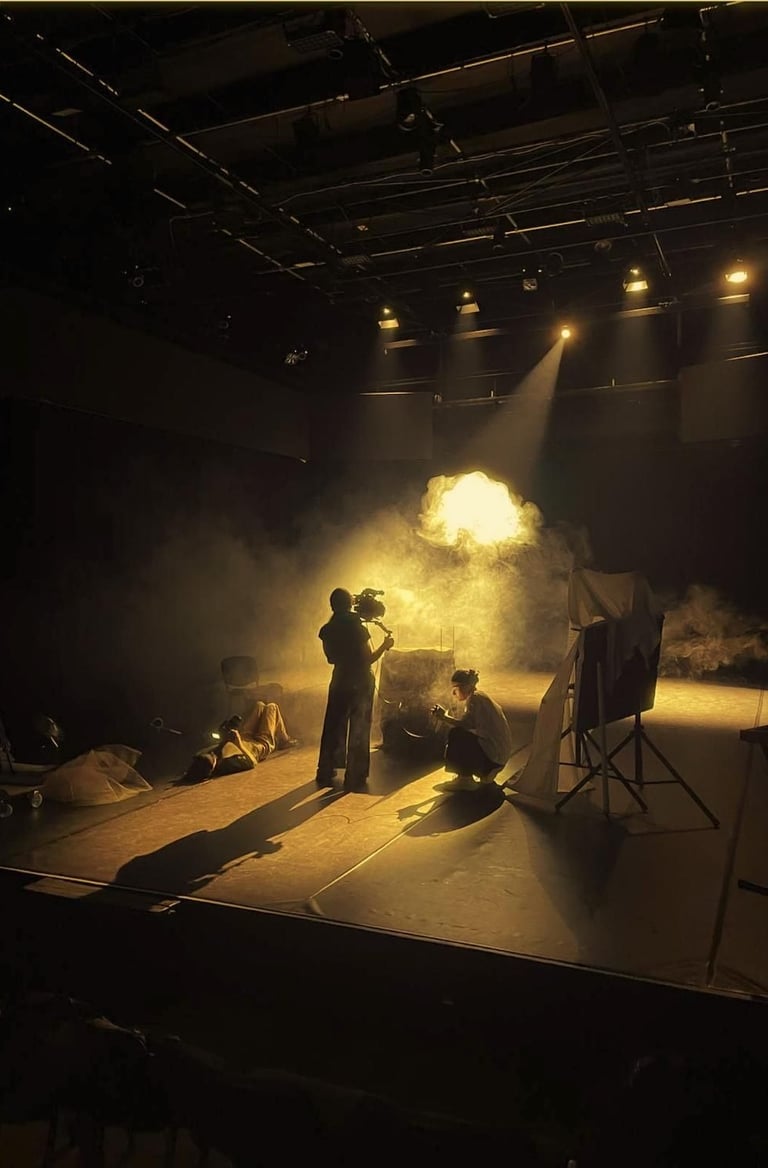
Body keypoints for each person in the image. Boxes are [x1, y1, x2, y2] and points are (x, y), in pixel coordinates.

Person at [315, 588, 394, 792]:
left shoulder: (327, 630)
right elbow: (368, 659)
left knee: (333, 725)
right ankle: (355, 774)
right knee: (359, 727)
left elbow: (331, 659)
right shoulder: (357, 628)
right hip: (360, 681)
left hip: (339, 679)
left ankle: (326, 769)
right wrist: (385, 645)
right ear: (349, 604)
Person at [431, 668, 512, 791]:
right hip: (497, 757)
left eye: (455, 689)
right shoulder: (480, 697)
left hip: (492, 758)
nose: (454, 693)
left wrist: (444, 717)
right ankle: (484, 775)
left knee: (457, 734)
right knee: (464, 734)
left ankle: (465, 779)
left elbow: (466, 725)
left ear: (466, 686)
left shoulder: (475, 698)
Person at [183, 700, 297, 783]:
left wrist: (223, 736)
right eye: (212, 757)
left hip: (245, 737)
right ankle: (285, 740)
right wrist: (239, 744)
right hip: (258, 745)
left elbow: (202, 754)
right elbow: (252, 762)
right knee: (272, 707)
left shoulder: (203, 757)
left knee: (260, 705)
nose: (212, 754)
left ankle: (282, 738)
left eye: (210, 754)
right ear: (213, 766)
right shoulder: (229, 764)